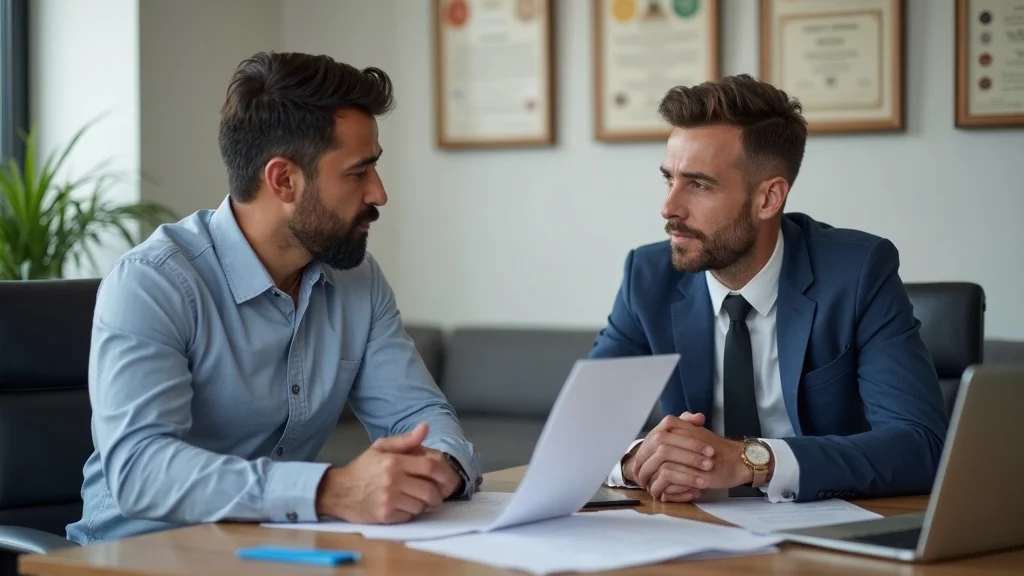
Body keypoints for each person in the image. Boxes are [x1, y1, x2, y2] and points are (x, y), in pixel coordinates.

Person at [67, 52, 480, 545]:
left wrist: (441, 466)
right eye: (358, 172)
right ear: (283, 179)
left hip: (272, 552)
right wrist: (331, 489)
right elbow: (141, 469)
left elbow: (416, 416)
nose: (379, 193)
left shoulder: (357, 280)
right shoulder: (153, 284)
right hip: (137, 557)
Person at [595, 74, 948, 504]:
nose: (669, 207)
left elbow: (921, 446)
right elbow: (580, 431)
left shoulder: (856, 273)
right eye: (669, 179)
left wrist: (749, 461)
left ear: (768, 198)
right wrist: (636, 460)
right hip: (694, 531)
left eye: (699, 184)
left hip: (829, 535)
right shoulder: (648, 277)